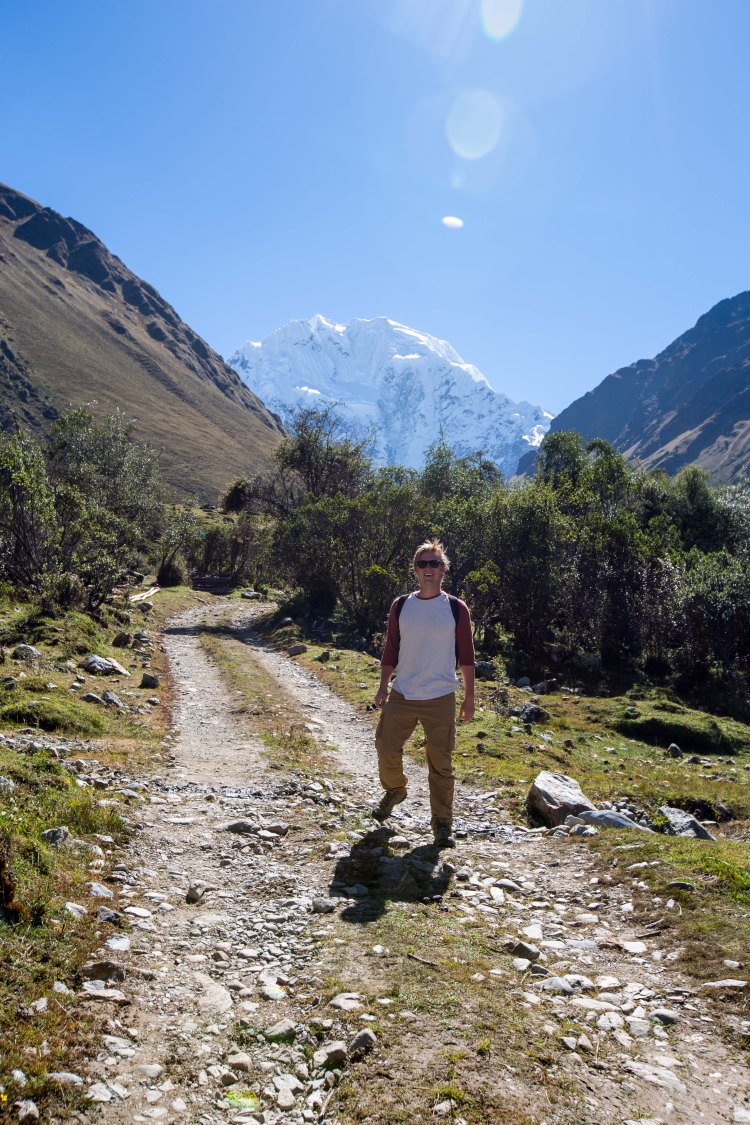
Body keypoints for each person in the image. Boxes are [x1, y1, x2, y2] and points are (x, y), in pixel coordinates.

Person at [372, 539, 475, 848]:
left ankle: (442, 824)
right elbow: (391, 647)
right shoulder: (401, 604)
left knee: (441, 764)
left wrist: (470, 697)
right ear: (415, 570)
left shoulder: (456, 608)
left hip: (441, 696)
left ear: (444, 569)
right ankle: (395, 790)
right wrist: (382, 685)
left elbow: (466, 655)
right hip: (403, 692)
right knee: (385, 746)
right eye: (422, 564)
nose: (428, 569)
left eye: (434, 563)